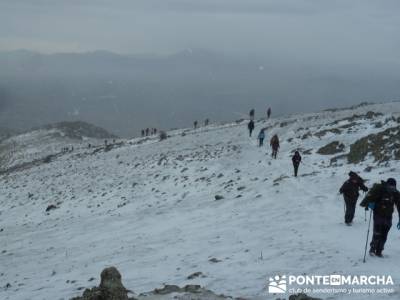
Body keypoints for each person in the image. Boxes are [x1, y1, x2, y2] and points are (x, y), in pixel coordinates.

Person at [360, 178, 400, 257]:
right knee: (377, 232)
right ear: (387, 185)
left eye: (393, 187)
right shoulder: (380, 190)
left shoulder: (395, 193)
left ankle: (379, 251)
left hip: (388, 215)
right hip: (378, 213)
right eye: (390, 186)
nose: (391, 188)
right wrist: (368, 204)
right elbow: (369, 198)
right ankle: (372, 249)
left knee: (384, 234)